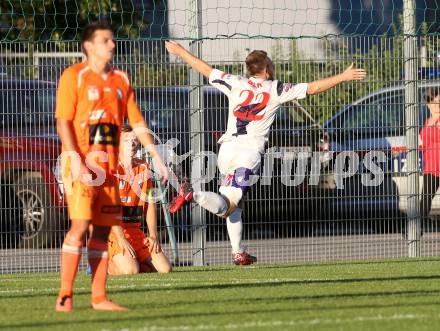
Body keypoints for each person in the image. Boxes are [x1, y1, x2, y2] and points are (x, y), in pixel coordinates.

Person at [165, 40, 366, 265]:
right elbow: (312, 88)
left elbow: (205, 69)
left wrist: (181, 51)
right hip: (247, 155)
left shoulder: (235, 82)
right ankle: (193, 194)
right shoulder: (276, 88)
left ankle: (238, 251)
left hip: (227, 151)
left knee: (235, 205)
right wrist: (343, 76)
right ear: (267, 69)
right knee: (228, 206)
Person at [55, 21, 168, 312]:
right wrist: (76, 159)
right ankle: (65, 296)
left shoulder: (121, 79)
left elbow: (138, 121)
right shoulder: (73, 77)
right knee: (81, 226)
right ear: (88, 46)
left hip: (107, 166)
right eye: (105, 40)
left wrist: (155, 156)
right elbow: (63, 121)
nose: (112, 45)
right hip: (81, 164)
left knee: (103, 231)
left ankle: (98, 298)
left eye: (112, 40)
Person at [107, 125, 172, 275]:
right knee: (131, 270)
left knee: (165, 269)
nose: (132, 143)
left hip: (135, 233)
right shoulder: (111, 169)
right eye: (126, 140)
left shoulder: (144, 167)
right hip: (113, 233)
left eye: (135, 140)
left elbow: (149, 203)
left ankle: (137, 261)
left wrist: (153, 235)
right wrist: (121, 238)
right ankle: (105, 264)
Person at [419, 86, 440, 231]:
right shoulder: (428, 121)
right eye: (435, 102)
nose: (438, 105)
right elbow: (423, 144)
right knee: (425, 199)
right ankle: (417, 228)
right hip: (431, 166)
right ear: (428, 103)